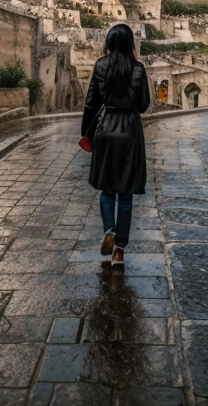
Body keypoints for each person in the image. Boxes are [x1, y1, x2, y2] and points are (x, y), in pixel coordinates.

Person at [81, 23, 151, 267]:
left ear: (109, 43)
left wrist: (85, 133)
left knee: (107, 189)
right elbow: (143, 106)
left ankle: (108, 230)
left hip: (106, 128)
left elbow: (91, 103)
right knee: (126, 192)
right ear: (130, 42)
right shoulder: (138, 68)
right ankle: (119, 250)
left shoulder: (101, 65)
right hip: (130, 130)